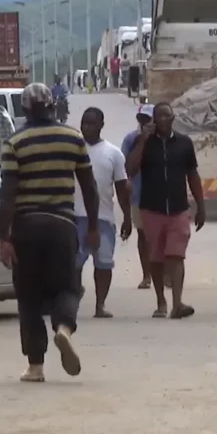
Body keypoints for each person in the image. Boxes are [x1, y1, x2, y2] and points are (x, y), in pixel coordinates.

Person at [0, 83, 98, 383]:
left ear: (25, 109)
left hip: (27, 227)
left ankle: (35, 366)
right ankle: (64, 327)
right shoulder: (73, 138)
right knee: (67, 287)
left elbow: (7, 193)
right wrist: (93, 226)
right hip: (62, 225)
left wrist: (4, 237)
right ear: (53, 105)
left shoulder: (14, 142)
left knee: (28, 297)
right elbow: (89, 187)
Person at [125, 102, 206, 319]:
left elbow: (193, 174)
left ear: (173, 118)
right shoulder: (144, 143)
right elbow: (130, 169)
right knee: (156, 257)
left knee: (176, 255)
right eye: (158, 116)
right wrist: (143, 141)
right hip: (151, 208)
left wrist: (201, 205)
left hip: (179, 208)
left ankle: (177, 303)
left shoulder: (184, 143)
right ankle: (161, 300)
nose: (162, 119)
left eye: (166, 115)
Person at [74, 107, 131, 319]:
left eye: (91, 123)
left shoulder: (113, 153)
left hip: (104, 219)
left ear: (101, 125)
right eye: (84, 123)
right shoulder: (73, 150)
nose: (86, 127)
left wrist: (127, 217)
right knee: (73, 265)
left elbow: (121, 187)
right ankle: (74, 298)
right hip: (75, 216)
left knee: (104, 265)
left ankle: (100, 304)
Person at [121, 104, 155, 290]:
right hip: (138, 195)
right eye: (143, 120)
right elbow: (128, 169)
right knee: (143, 236)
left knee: (162, 236)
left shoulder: (165, 139)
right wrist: (142, 142)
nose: (146, 123)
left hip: (161, 195)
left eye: (149, 120)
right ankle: (147, 275)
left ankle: (166, 272)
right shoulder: (131, 139)